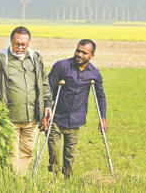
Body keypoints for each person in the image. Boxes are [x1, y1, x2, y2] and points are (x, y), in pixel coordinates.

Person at [0, 26, 52, 176]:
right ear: (11, 41)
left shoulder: (35, 59)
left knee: (27, 152)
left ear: (28, 43)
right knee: (11, 153)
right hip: (8, 117)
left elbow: (44, 84)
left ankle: (18, 180)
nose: (20, 47)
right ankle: (13, 180)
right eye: (17, 43)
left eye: (24, 44)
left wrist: (47, 104)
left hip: (31, 118)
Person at [46, 39, 109, 179]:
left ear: (92, 55)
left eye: (84, 52)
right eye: (78, 50)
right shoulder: (62, 66)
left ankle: (68, 178)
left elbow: (100, 96)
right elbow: (48, 88)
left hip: (75, 119)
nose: (79, 54)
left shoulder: (94, 73)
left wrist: (102, 118)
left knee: (70, 154)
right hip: (55, 117)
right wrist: (46, 110)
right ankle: (55, 177)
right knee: (54, 151)